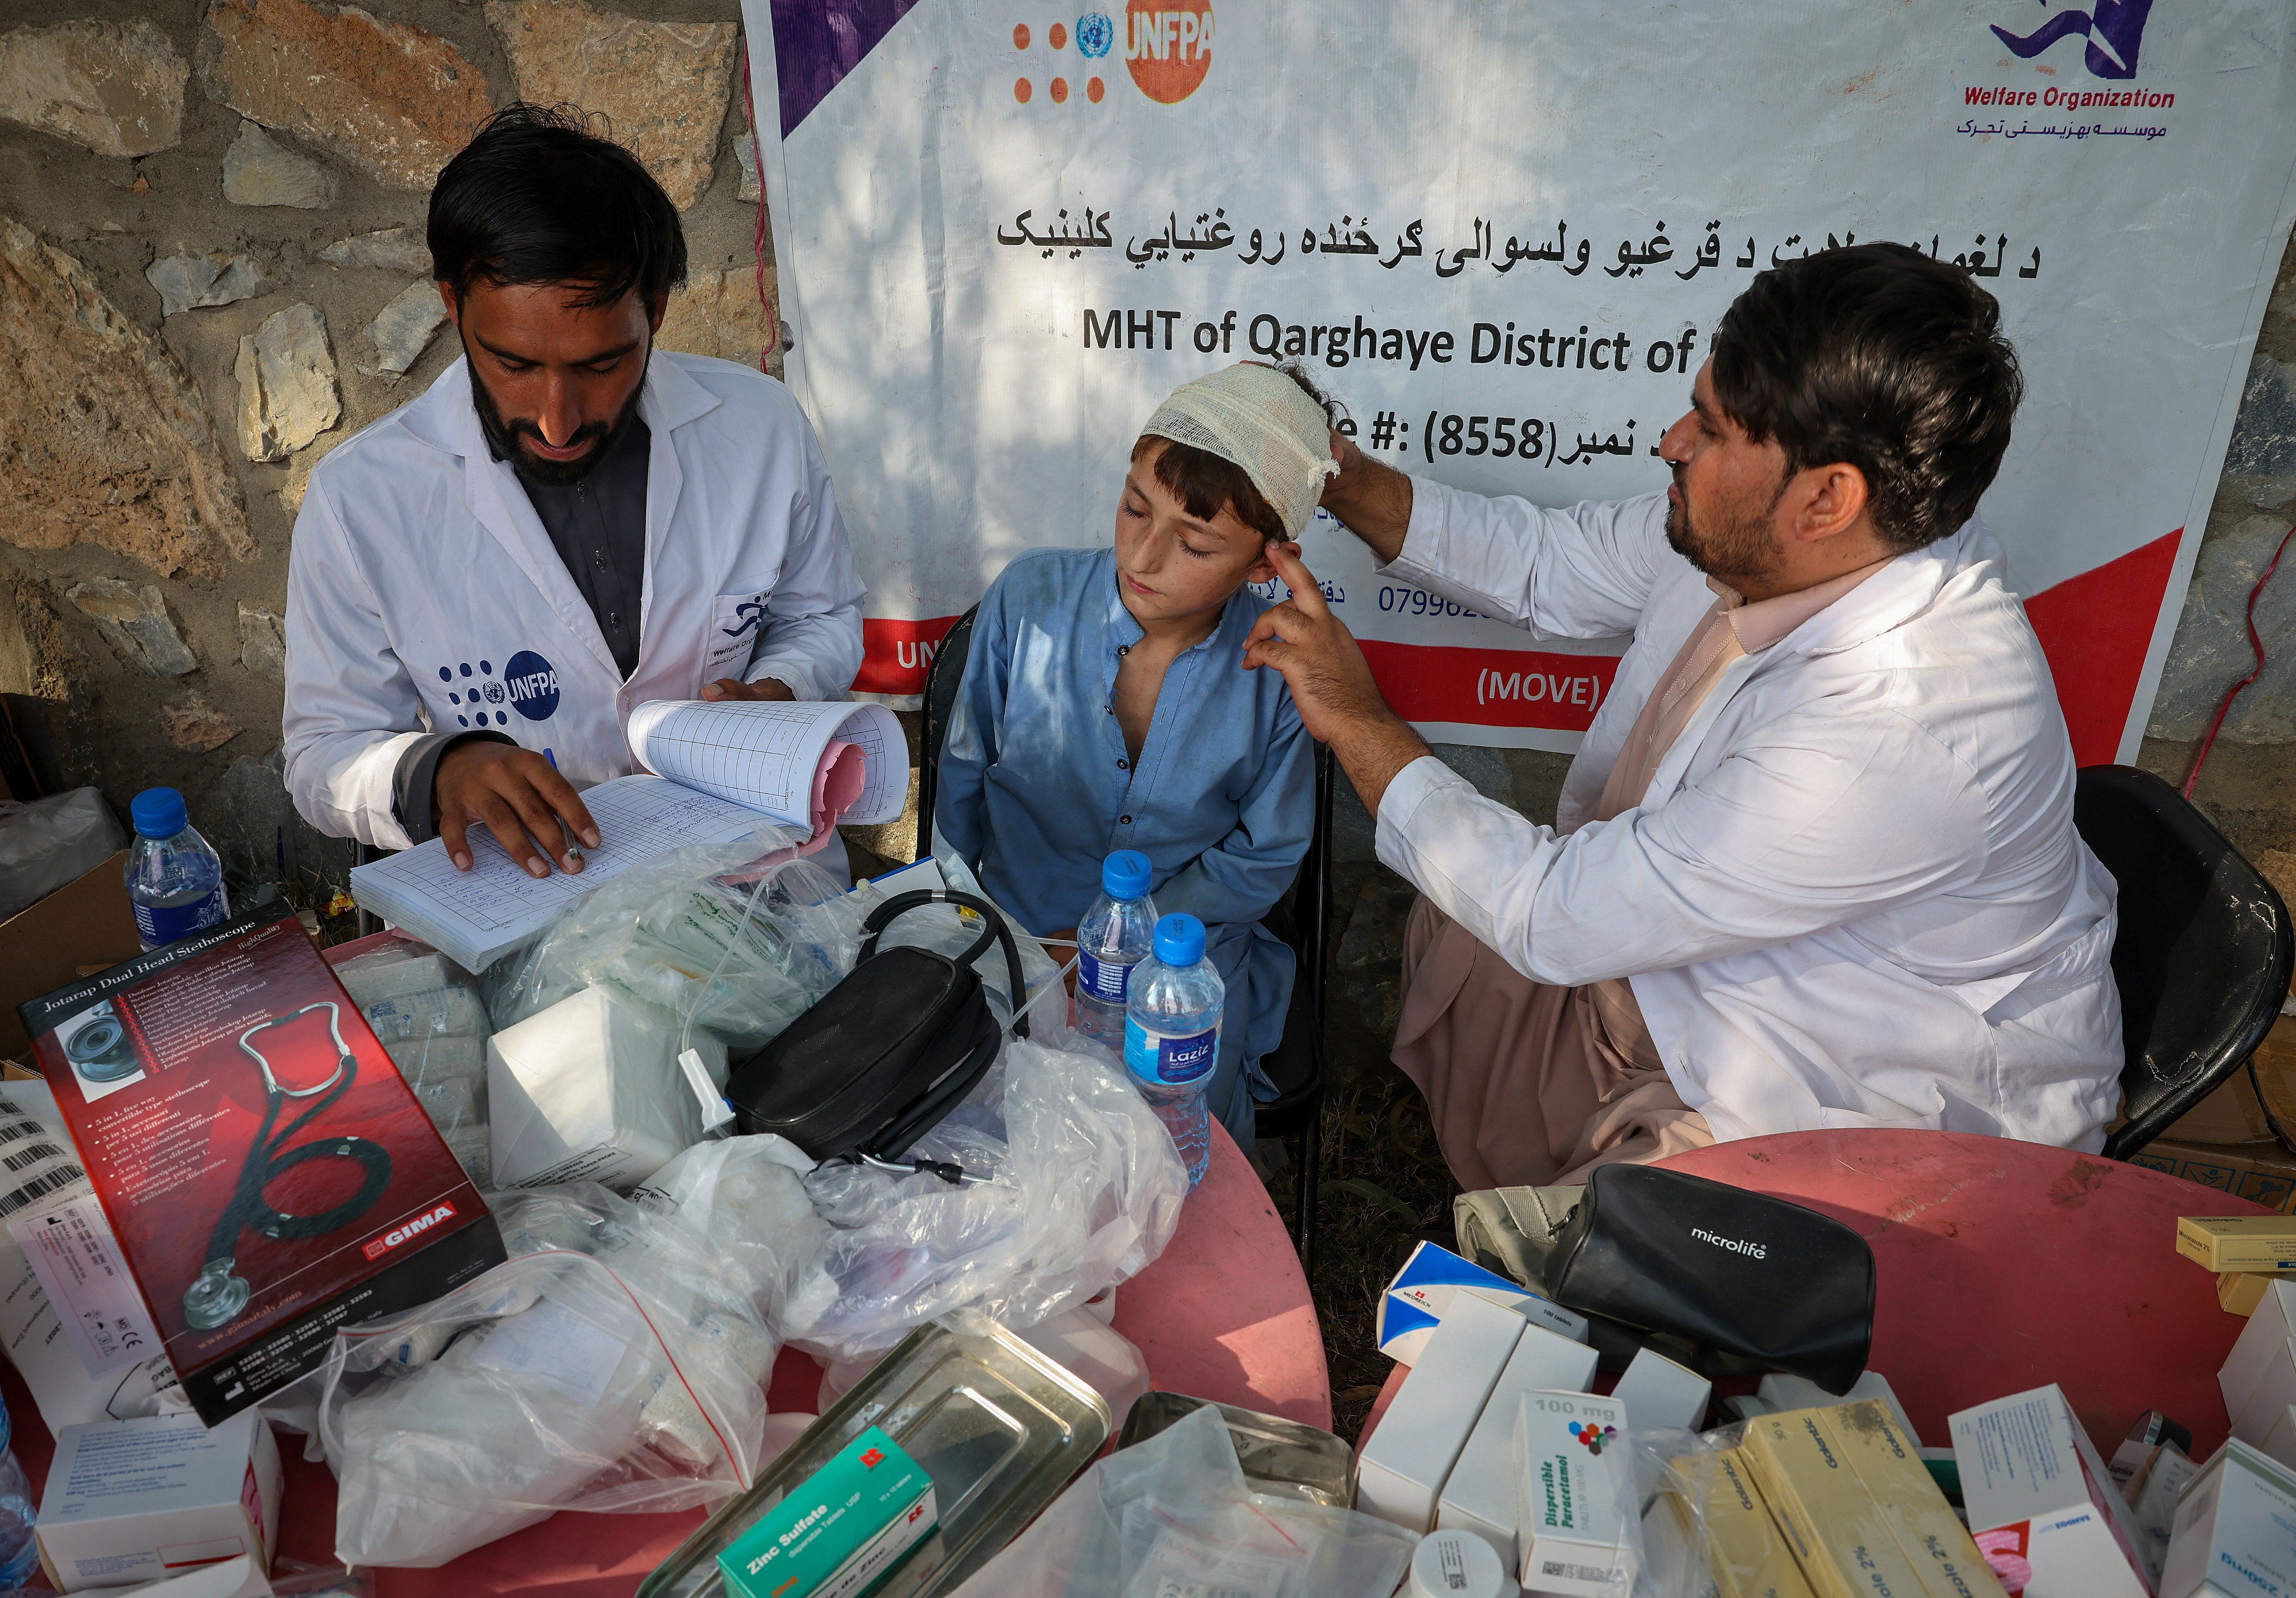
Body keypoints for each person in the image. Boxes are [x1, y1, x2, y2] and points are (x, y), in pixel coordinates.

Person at [1241, 243, 2123, 1189]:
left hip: (1866, 1092)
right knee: (1463, 922)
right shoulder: (1788, 539)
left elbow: (1552, 912)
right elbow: (1545, 562)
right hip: (1715, 969)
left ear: (1828, 497)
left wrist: (1357, 719)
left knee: (1631, 1242)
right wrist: (1332, 472)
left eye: (1708, 426)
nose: (1671, 441)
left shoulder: (1900, 730)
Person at [282, 105, 864, 877]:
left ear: (653, 312)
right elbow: (324, 751)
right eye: (515, 365)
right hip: (531, 904)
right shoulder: (362, 502)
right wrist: (440, 771)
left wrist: (780, 689)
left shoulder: (761, 430)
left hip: (752, 871)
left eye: (598, 366)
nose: (557, 422)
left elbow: (821, 615)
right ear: (454, 306)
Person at [936, 363, 1324, 1144]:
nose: (1143, 558)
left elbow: (1267, 855)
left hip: (1182, 967)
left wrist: (1132, 941)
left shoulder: (1278, 670)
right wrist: (982, 929)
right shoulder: (1028, 600)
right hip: (1014, 935)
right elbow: (961, 789)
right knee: (983, 1138)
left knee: (1171, 1151)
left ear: (1263, 565)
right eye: (1134, 509)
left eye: (1195, 543)